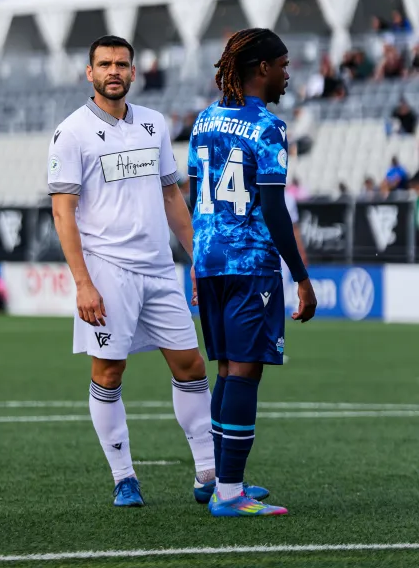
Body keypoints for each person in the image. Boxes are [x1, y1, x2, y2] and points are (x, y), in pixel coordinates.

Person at [48, 35, 262, 509]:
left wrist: (198, 256)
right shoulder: (72, 133)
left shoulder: (153, 124)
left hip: (160, 268)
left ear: (133, 71)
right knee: (108, 371)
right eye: (104, 64)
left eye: (122, 64)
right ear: (90, 73)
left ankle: (208, 473)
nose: (114, 71)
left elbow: (172, 197)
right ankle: (124, 477)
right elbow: (63, 213)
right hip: (106, 270)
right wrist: (82, 282)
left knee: (190, 366)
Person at [189, 27, 317, 517]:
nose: (287, 74)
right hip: (250, 264)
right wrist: (301, 277)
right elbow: (273, 209)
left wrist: (197, 269)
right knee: (245, 371)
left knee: (227, 370)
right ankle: (229, 493)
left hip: (210, 261)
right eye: (283, 65)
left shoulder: (202, 121)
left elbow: (196, 196)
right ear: (261, 68)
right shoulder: (267, 126)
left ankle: (220, 479)